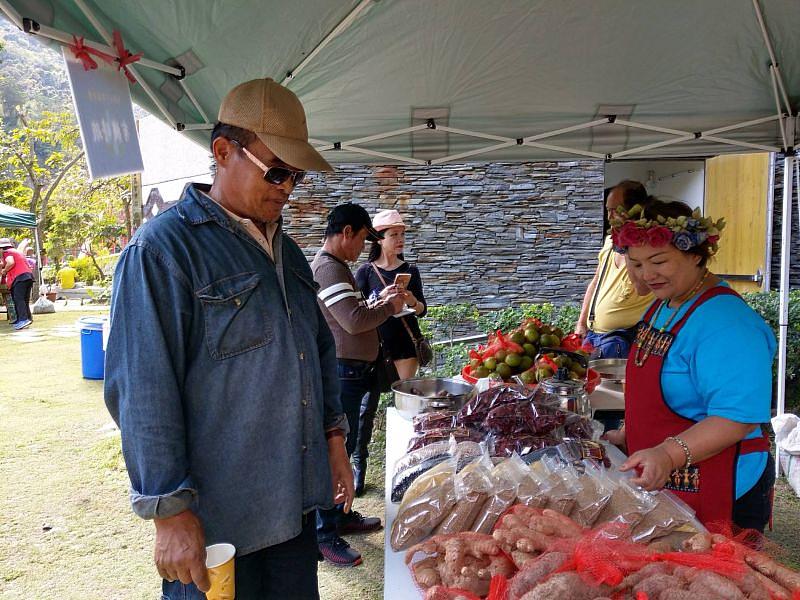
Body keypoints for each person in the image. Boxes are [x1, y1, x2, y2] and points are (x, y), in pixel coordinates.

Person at [104, 78, 353, 600]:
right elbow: (143, 391)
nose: (287, 189)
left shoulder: (287, 252)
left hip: (294, 507)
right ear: (222, 151)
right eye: (277, 171)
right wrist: (169, 512)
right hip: (219, 525)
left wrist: (334, 440)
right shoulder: (162, 252)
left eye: (295, 177)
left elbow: (319, 350)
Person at [605, 199, 775, 531]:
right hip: (665, 484)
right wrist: (629, 435)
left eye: (658, 261)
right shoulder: (668, 302)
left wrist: (667, 455)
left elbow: (735, 419)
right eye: (636, 263)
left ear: (696, 254)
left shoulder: (728, 324)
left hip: (723, 483)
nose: (647, 274)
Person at [312, 203, 406, 565]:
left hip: (351, 370)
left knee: (346, 445)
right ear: (347, 232)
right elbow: (352, 321)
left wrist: (377, 301)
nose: (363, 249)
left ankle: (339, 517)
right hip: (341, 371)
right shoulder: (327, 268)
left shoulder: (337, 268)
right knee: (335, 453)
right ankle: (325, 533)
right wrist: (389, 308)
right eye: (363, 239)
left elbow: (351, 311)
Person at [575, 180, 653, 358]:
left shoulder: (647, 246)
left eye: (614, 210)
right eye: (607, 210)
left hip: (621, 340)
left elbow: (641, 287)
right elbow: (596, 282)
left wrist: (626, 246)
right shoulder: (610, 241)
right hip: (593, 336)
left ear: (635, 211)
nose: (609, 217)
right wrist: (581, 322)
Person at [355, 209, 428, 380]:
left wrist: (411, 300)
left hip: (405, 343)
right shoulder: (365, 272)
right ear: (379, 239)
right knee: (373, 399)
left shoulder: (410, 271)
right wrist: (380, 297)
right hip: (375, 345)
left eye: (402, 234)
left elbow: (422, 311)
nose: (400, 239)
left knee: (404, 396)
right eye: (394, 235)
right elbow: (356, 311)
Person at [0, 237, 34, 330]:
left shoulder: (8, 252)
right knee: (24, 299)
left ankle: (23, 320)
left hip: (20, 277)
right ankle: (27, 318)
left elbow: (10, 262)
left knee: (18, 299)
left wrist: (4, 271)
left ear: (2, 248)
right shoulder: (15, 251)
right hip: (28, 276)